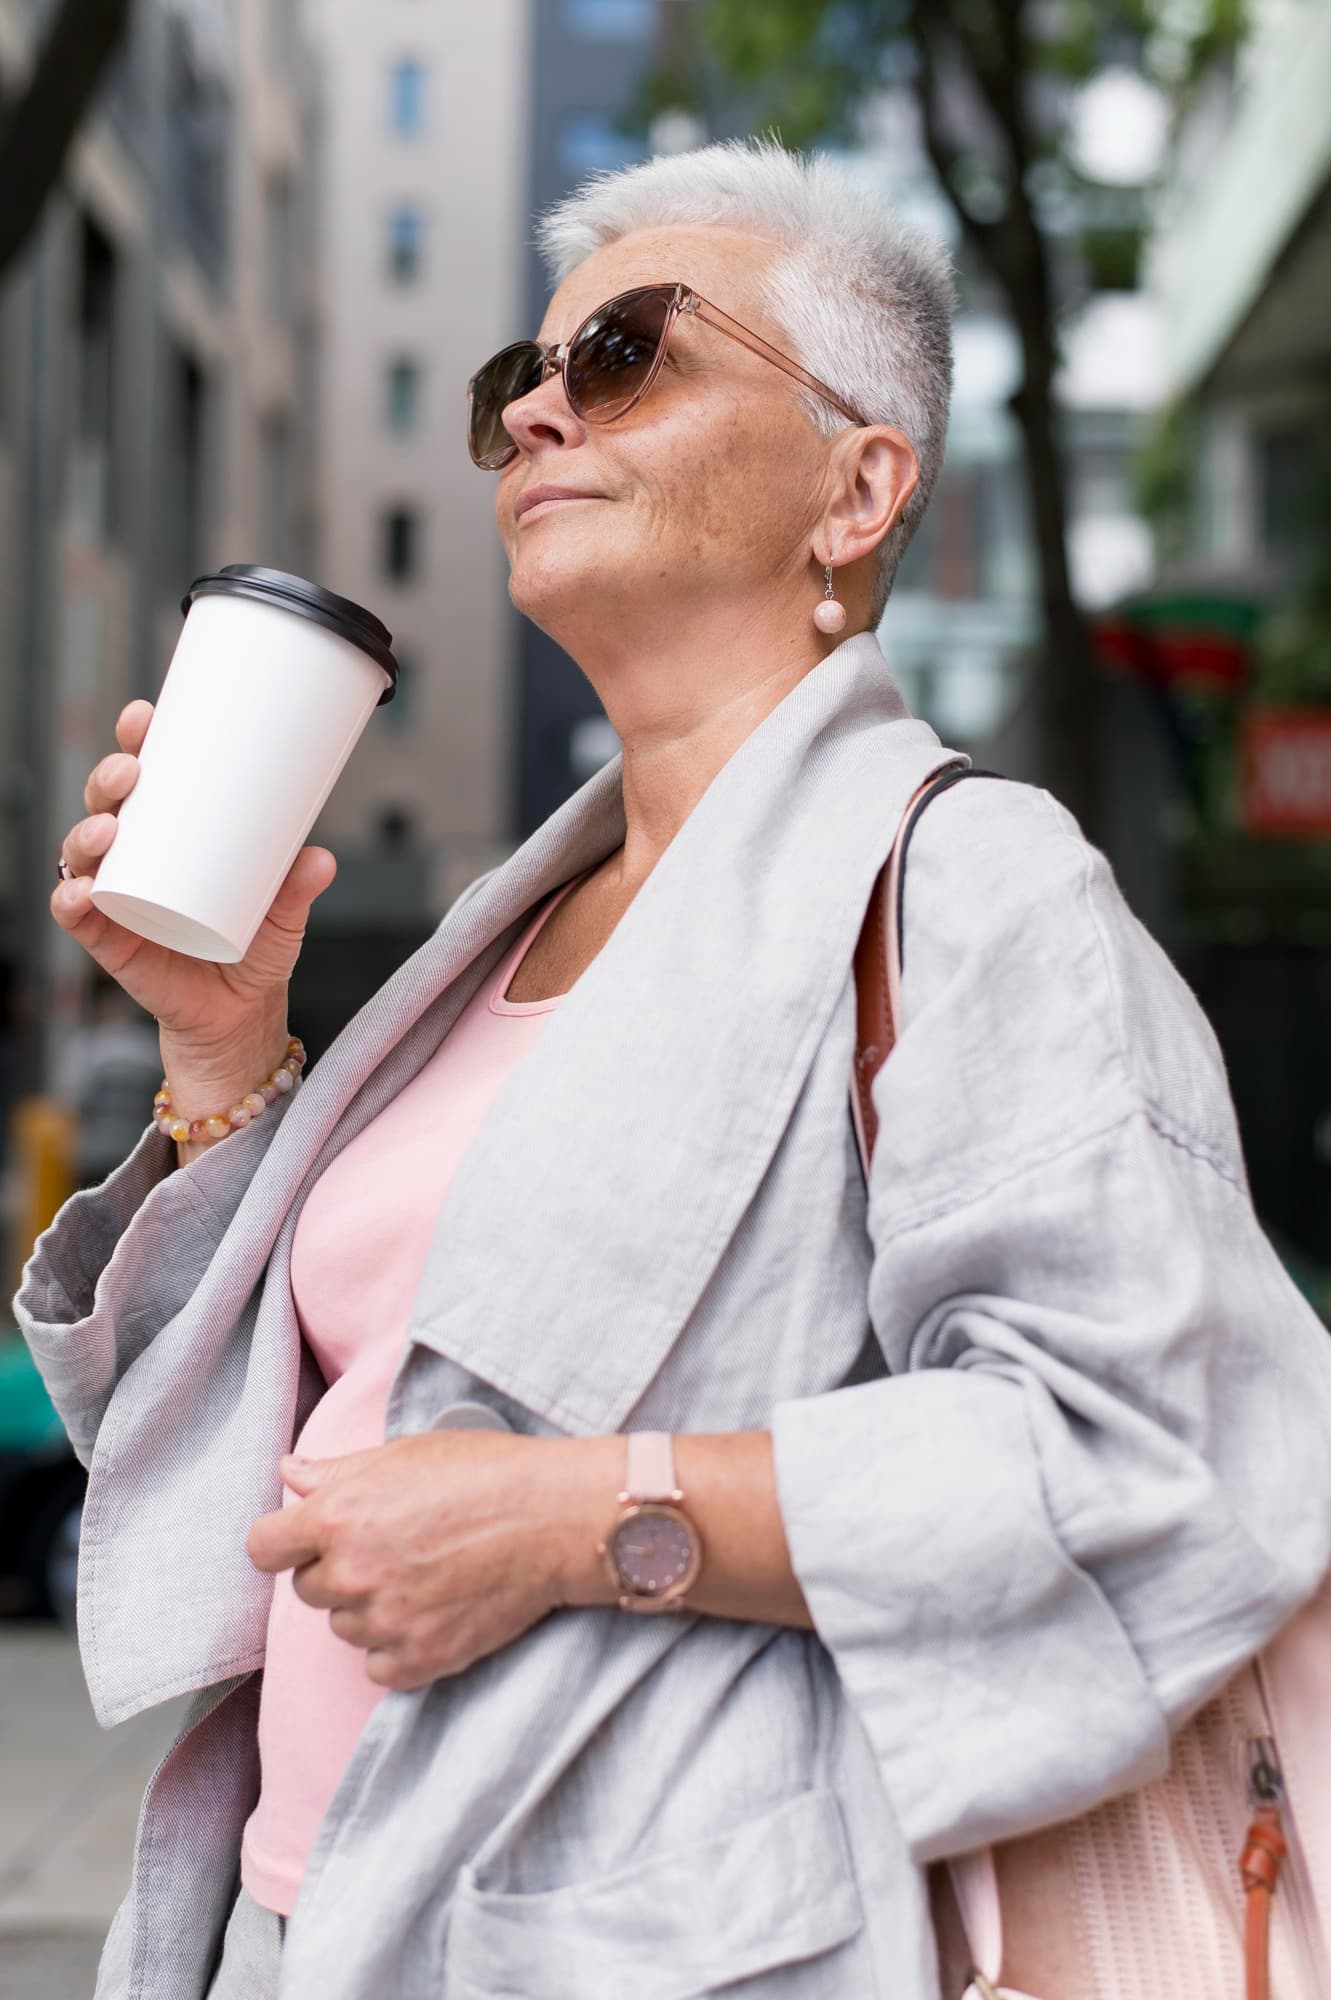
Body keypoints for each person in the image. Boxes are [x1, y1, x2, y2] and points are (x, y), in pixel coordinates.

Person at [15, 139, 1331, 2000]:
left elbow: (1166, 1448)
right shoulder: (498, 935)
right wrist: (224, 1048)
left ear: (858, 487)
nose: (543, 414)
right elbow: (260, 1473)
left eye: (627, 354)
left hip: (653, 1943)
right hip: (301, 1918)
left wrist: (572, 1518)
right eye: (517, 384)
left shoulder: (964, 883)